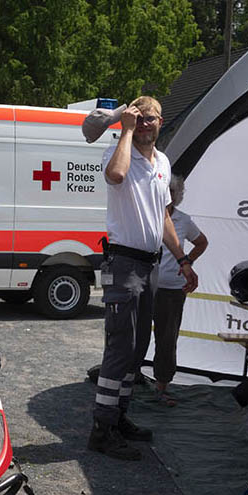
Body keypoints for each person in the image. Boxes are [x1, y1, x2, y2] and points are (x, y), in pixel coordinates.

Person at [89, 97, 198, 462]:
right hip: (124, 262)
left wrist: (182, 259)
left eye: (150, 118)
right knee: (120, 346)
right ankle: (102, 429)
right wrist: (126, 130)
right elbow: (116, 176)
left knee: (137, 350)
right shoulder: (120, 151)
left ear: (161, 121)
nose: (146, 124)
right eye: (140, 118)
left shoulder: (163, 161)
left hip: (151, 265)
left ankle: (118, 417)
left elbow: (163, 216)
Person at [150, 174, 208, 406]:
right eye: (165, 191)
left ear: (178, 196)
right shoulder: (148, 216)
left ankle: (162, 387)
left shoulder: (184, 220)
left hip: (172, 290)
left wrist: (187, 262)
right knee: (136, 335)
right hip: (145, 286)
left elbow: (202, 242)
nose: (169, 196)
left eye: (172, 193)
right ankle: (129, 382)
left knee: (166, 339)